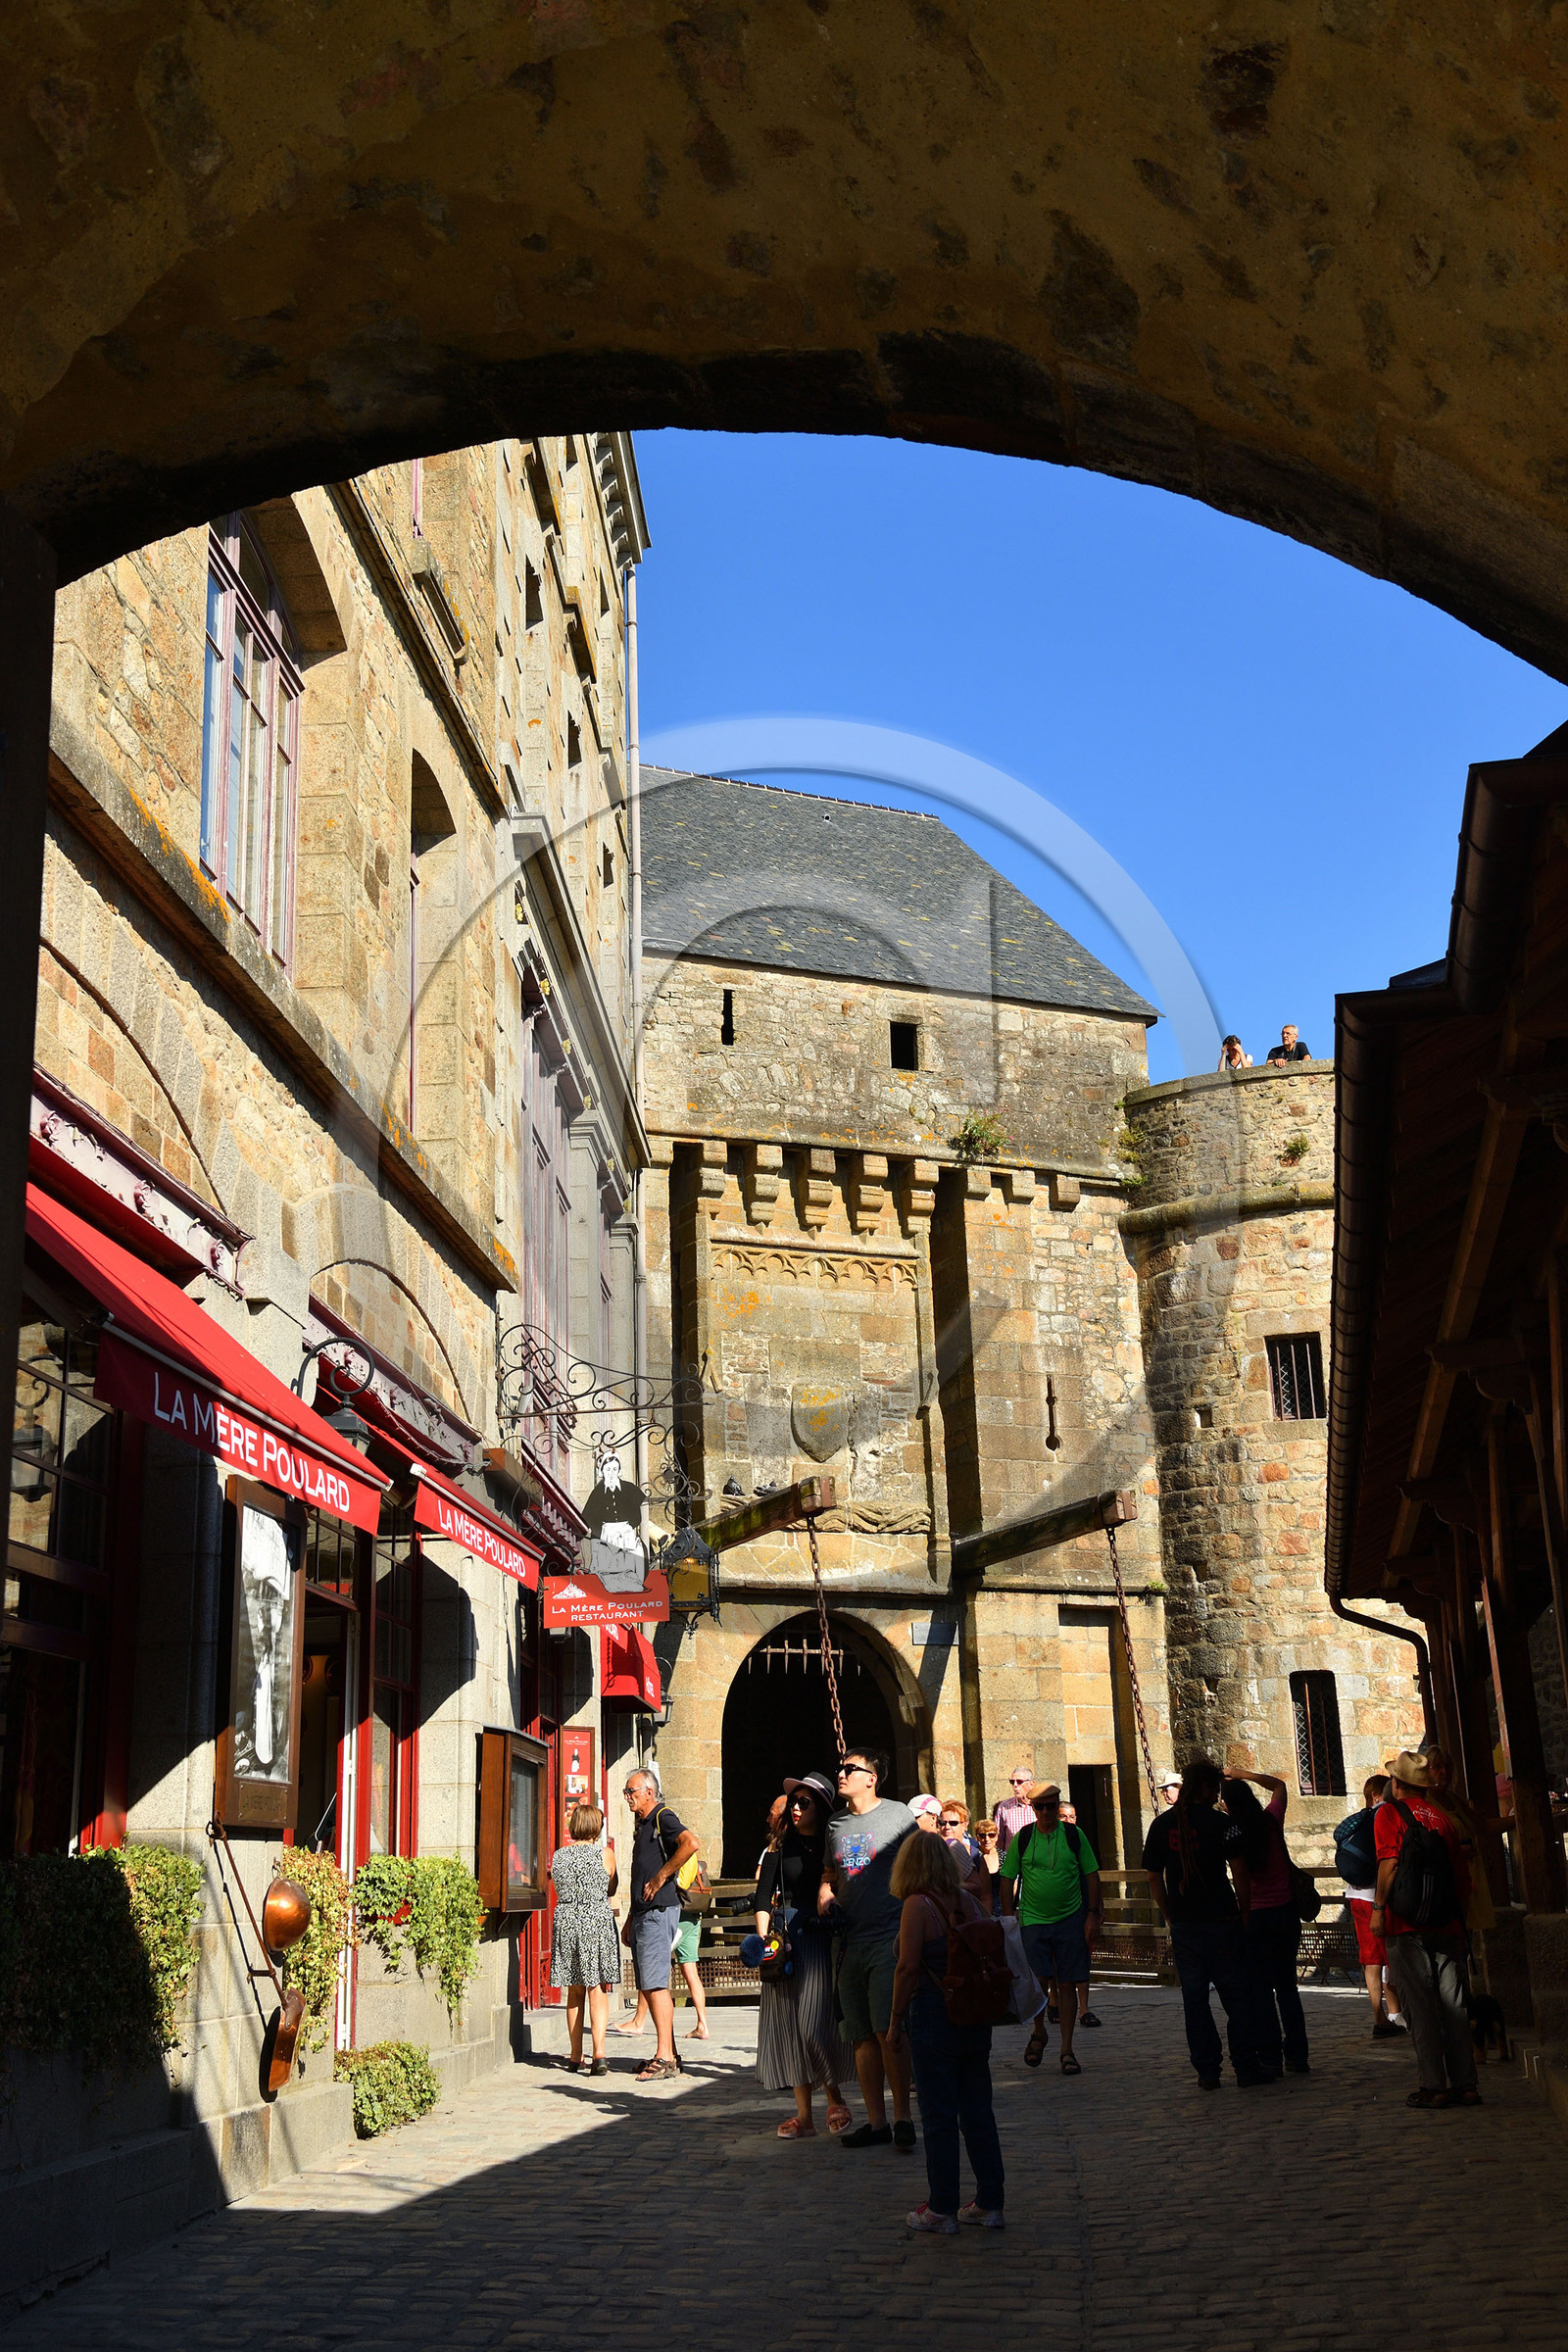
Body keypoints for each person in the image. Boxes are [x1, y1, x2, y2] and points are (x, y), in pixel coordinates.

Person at [889, 1826, 1005, 2233]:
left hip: (934, 2014)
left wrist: (894, 2021)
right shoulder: (970, 1902)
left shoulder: (917, 1906)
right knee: (977, 2109)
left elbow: (907, 1968)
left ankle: (942, 2206)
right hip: (974, 2014)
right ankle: (990, 2202)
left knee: (938, 2113)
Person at [1144, 1756, 1272, 2089]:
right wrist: (1244, 1911)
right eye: (1215, 1787)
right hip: (1221, 1919)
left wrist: (1170, 1913)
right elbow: (1240, 1870)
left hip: (1186, 1923)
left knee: (1195, 1999)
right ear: (1205, 1787)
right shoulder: (1221, 1824)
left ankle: (1207, 2070)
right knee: (1236, 1995)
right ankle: (1245, 2065)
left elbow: (1154, 1877)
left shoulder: (1160, 1826)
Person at [819, 1748, 917, 2150]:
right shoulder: (835, 1825)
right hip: (848, 1943)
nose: (841, 1774)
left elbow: (920, 1869)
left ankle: (903, 2118)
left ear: (871, 1778)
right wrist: (825, 1893)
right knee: (859, 2034)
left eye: (849, 1769)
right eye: (840, 1767)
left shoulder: (898, 1817)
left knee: (888, 2030)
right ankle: (877, 2123)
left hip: (887, 1938)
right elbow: (830, 1873)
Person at [1373, 1749, 1479, 2110]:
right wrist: (1460, 1926)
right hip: (1446, 1922)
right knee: (1454, 2006)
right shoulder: (1444, 1820)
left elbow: (1388, 1863)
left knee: (1420, 2006)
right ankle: (1466, 2085)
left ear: (1397, 1783)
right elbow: (1463, 1881)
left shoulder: (1389, 1814)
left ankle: (1433, 2086)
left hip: (1405, 1924)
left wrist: (1378, 1910)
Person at [754, 1771, 854, 2138]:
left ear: (822, 1807)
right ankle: (804, 2116)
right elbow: (763, 1895)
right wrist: (764, 1940)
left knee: (813, 2022)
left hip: (818, 1936)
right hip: (783, 1938)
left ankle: (834, 2096)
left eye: (803, 1802)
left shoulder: (834, 1845)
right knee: (787, 2026)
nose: (795, 1808)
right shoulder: (780, 1846)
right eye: (793, 1802)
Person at [1000, 1782, 1102, 2077]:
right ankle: (1040, 2031)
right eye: (1040, 1807)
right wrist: (1009, 1918)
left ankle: (1067, 2049)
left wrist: (1092, 1914)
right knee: (1039, 1981)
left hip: (1070, 1918)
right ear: (1032, 1808)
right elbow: (1007, 1878)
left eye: (1051, 1806)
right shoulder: (1024, 1838)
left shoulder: (1073, 1835)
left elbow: (1091, 1874)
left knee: (1068, 1983)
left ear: (1058, 1806)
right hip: (1033, 1920)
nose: (1045, 1812)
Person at [1220, 1769, 1309, 2076]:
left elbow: (1241, 1875)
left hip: (1256, 1915)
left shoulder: (1234, 1832)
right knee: (1287, 1987)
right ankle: (1297, 2055)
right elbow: (1280, 1786)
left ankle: (1270, 2055)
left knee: (1261, 1990)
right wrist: (1239, 1773)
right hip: (1285, 1912)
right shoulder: (1271, 1820)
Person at [619, 1767, 699, 2083]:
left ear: (648, 1793)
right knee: (649, 1985)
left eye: (632, 1792)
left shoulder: (663, 1816)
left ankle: (665, 2055)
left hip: (658, 1910)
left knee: (655, 1985)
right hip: (643, 1912)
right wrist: (630, 1917)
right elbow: (640, 1873)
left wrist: (663, 1876)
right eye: (626, 1792)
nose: (627, 1797)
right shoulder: (644, 1825)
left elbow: (690, 1842)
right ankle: (669, 2052)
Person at [549, 1801, 620, 2076]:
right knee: (596, 1988)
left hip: (567, 1920)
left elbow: (559, 1885)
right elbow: (611, 1887)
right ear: (597, 1827)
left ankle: (575, 2054)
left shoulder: (559, 1856)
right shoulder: (605, 1854)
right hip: (595, 1920)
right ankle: (599, 2053)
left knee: (574, 1989)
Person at [1335, 1773, 1407, 2039]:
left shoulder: (1361, 1819)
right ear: (1381, 1794)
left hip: (1356, 1896)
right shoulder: (1387, 1815)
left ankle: (1378, 2016)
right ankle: (1396, 2014)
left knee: (1371, 1960)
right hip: (1379, 1898)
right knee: (1390, 1956)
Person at [993, 1768, 1036, 1848]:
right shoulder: (1004, 1807)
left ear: (1031, 1784)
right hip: (1014, 1858)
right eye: (1012, 1782)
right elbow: (998, 1840)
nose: (1015, 1785)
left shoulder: (1042, 1806)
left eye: (1019, 1782)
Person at [972, 1819, 1004, 1914]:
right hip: (979, 1907)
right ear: (977, 1838)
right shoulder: (973, 1857)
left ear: (997, 1837)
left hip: (1002, 1907)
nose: (987, 1839)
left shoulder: (1004, 1857)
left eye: (991, 1835)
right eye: (982, 1836)